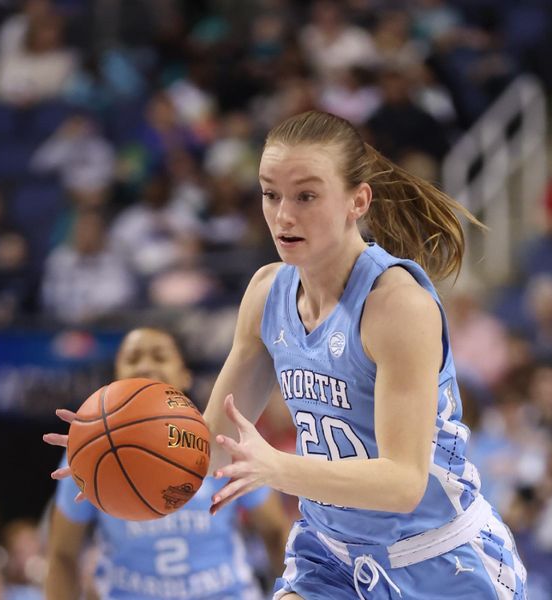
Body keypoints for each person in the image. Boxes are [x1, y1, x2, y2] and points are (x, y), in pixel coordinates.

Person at [48, 111, 527, 599]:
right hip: (331, 555)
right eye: (270, 194)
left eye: (306, 196)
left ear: (357, 201)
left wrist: (276, 466)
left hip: (437, 562)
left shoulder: (396, 305)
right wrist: (106, 452)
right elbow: (210, 446)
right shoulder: (265, 293)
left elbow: (403, 483)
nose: (283, 216)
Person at [44, 327, 290, 600]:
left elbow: (275, 531)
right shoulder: (86, 452)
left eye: (160, 357)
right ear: (116, 376)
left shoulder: (220, 439)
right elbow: (63, 554)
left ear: (184, 375)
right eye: (133, 358)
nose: (146, 366)